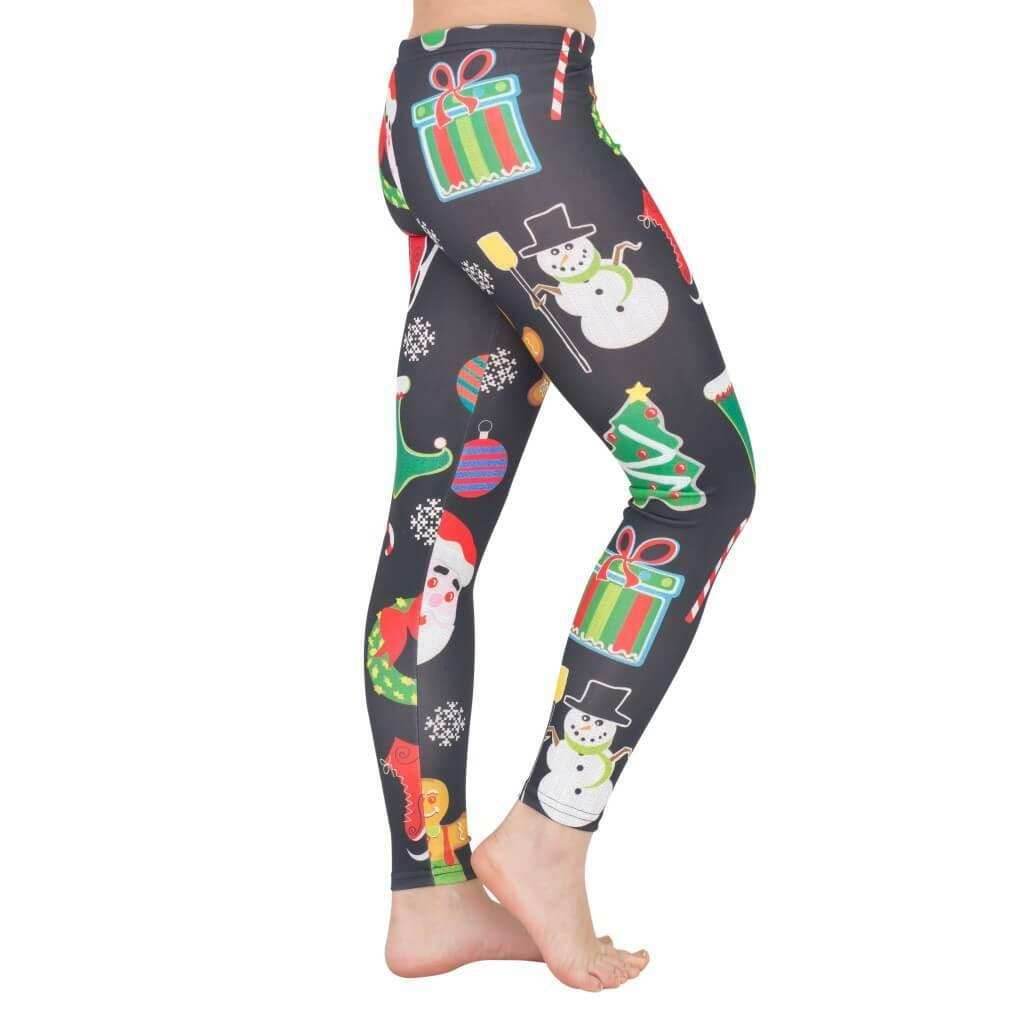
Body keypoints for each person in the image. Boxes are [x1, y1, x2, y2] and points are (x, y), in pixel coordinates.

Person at [365, 0, 756, 990]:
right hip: (513, 117)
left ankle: (430, 894)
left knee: (435, 526)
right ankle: (549, 831)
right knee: (698, 485)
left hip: (432, 110)